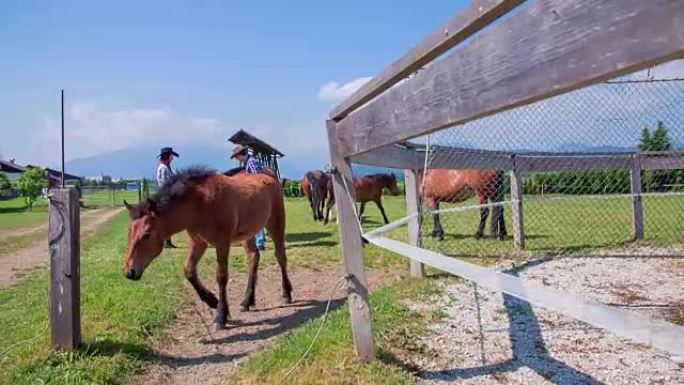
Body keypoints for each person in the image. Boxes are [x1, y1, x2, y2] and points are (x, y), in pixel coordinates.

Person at [231, 144, 267, 250]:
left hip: (256, 194)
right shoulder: (249, 162)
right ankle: (261, 239)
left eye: (236, 157)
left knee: (255, 217)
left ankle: (260, 242)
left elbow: (257, 179)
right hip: (257, 193)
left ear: (239, 155)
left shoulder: (251, 162)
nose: (237, 159)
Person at [156, 146, 179, 248]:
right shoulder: (163, 168)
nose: (172, 158)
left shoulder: (166, 168)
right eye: (171, 156)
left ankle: (167, 241)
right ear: (167, 156)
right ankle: (166, 241)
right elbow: (165, 184)